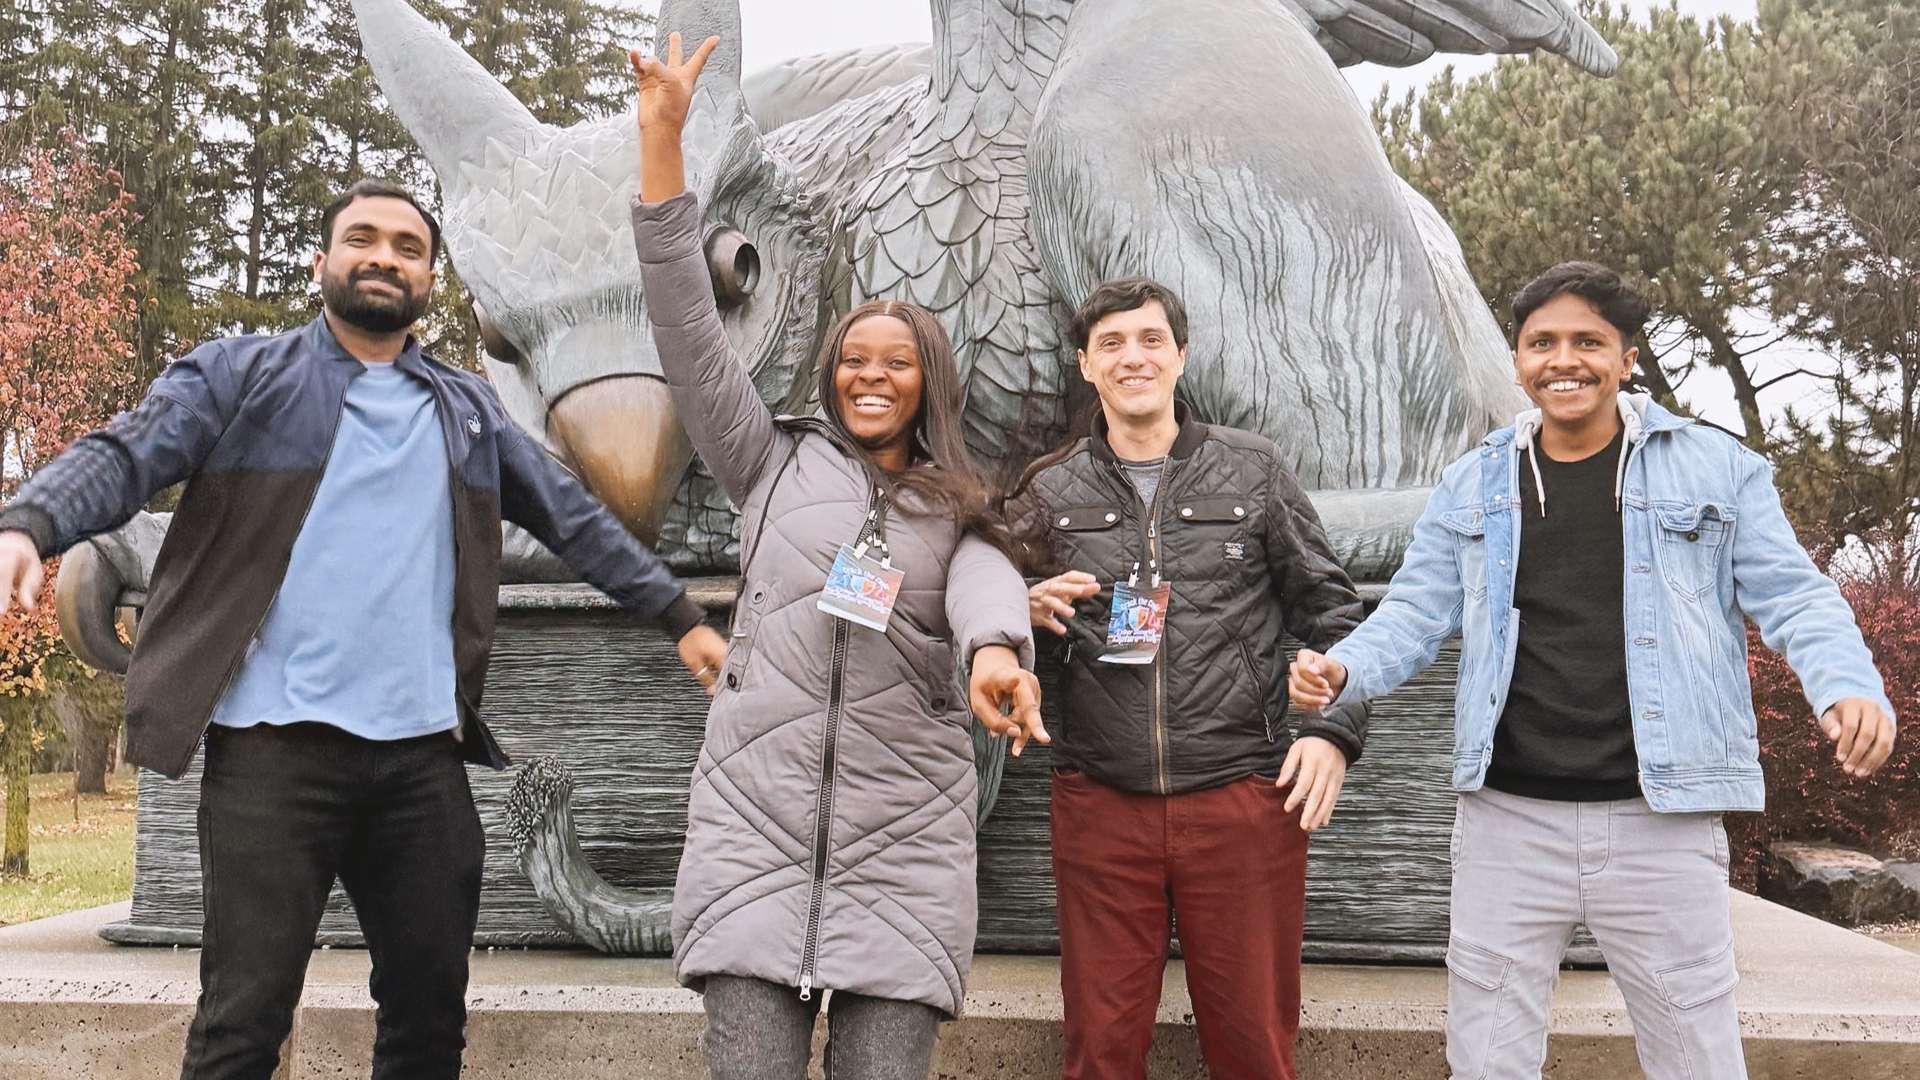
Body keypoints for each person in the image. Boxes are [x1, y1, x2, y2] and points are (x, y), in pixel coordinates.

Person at [0, 177, 725, 1080]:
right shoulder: (239, 378)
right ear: (322, 263)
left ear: (430, 281)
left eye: (408, 248)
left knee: (428, 1026)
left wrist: (677, 615)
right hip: (272, 758)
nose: (385, 257)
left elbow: (573, 518)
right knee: (241, 1027)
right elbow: (126, 453)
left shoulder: (466, 411)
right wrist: (31, 523)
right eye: (363, 239)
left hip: (420, 768)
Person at [1289, 262, 1897, 1080]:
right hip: (1507, 821)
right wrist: (1344, 669)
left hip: (1662, 821)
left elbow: (1796, 596)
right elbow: (1413, 612)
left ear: (1626, 359)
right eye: (1542, 343)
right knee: (1487, 1062)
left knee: (1697, 1059)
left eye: (1588, 342)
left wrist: (1847, 684)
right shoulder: (1473, 481)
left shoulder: (1717, 469)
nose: (1563, 360)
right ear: (1517, 361)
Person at [628, 35, 1046, 1080]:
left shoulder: (960, 507)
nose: (870, 376)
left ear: (928, 381)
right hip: (752, 840)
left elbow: (986, 583)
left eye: (895, 363)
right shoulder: (764, 463)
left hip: (905, 854)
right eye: (853, 359)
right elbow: (685, 326)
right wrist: (664, 146)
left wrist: (998, 654)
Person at [1002, 275, 1369, 1080]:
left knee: (1254, 1050)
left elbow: (1337, 615)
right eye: (1111, 344)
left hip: (1243, 799)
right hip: (1100, 805)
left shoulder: (1253, 470)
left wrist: (1333, 733)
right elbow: (976, 596)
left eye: (1150, 340)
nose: (1132, 357)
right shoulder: (1047, 490)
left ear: (1181, 355)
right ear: (1086, 365)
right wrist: (1013, 604)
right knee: (1100, 1052)